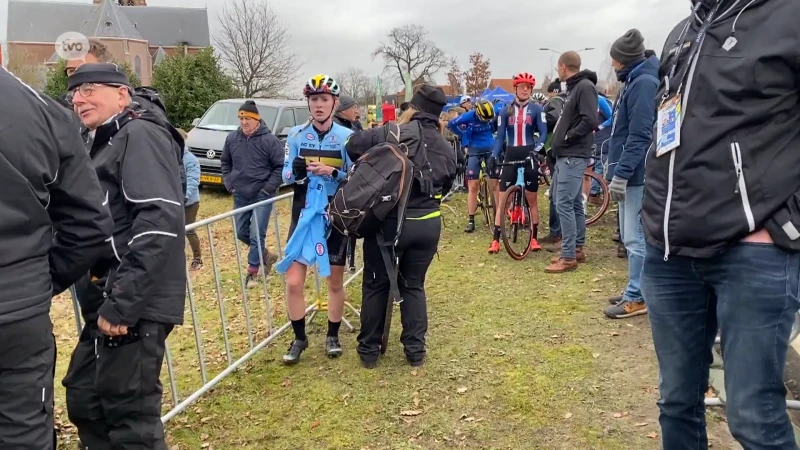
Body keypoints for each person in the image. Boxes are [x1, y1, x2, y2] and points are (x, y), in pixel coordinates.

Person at [643, 1, 800, 448]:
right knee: (675, 402)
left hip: (753, 252)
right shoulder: (684, 30)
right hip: (668, 252)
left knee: (754, 416)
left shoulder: (790, 17)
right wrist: (651, 212)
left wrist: (783, 222)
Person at [63, 63, 185, 449]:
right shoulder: (101, 138)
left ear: (121, 93)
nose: (79, 98)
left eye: (89, 88)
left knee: (127, 414)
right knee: (86, 400)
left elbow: (159, 219)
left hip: (133, 300)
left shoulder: (139, 134)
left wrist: (124, 303)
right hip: (107, 297)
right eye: (75, 93)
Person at [0, 67, 113, 450]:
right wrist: (37, 282)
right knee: (23, 431)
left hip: (19, 300)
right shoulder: (42, 111)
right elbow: (89, 223)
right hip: (18, 310)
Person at [346, 85, 457, 368]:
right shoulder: (447, 145)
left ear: (413, 109)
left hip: (391, 223)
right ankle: (415, 351)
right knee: (414, 285)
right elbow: (447, 183)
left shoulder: (394, 132)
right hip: (429, 224)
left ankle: (369, 351)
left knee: (375, 284)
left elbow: (353, 145)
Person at [279, 74, 353, 364]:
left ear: (334, 103)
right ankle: (299, 338)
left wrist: (332, 172)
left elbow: (355, 178)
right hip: (304, 214)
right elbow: (284, 175)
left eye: (324, 99)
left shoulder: (346, 138)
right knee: (294, 281)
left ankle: (332, 335)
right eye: (314, 100)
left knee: (335, 281)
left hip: (334, 215)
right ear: (308, 103)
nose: (319, 105)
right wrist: (296, 170)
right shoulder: (296, 135)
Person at [601, 30, 658, 320]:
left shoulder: (644, 83)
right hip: (628, 172)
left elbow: (640, 135)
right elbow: (620, 129)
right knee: (629, 236)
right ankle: (634, 289)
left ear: (625, 60)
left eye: (615, 60)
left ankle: (638, 297)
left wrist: (622, 174)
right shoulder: (634, 80)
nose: (612, 65)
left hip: (637, 174)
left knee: (636, 239)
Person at [545, 51, 598, 273]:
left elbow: (589, 120)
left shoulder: (584, 87)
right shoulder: (576, 88)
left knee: (563, 202)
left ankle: (568, 256)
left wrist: (567, 137)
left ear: (563, 67)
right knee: (573, 202)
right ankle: (576, 247)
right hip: (567, 155)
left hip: (572, 155)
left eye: (558, 67)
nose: (558, 71)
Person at [220, 100, 283, 288]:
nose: (244, 122)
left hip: (262, 194)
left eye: (248, 118)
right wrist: (230, 184)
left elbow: (280, 166)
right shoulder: (232, 139)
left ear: (257, 120)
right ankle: (266, 255)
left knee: (257, 234)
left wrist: (268, 188)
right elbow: (225, 162)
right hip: (240, 194)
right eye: (241, 118)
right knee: (241, 232)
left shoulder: (269, 140)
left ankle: (252, 273)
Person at [487, 72, 548, 254]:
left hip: (529, 153)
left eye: (528, 87)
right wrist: (493, 156)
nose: (525, 90)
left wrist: (536, 151)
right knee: (503, 199)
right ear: (515, 88)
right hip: (511, 155)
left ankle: (534, 238)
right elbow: (499, 138)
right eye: (522, 87)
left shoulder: (537, 110)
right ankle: (496, 240)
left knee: (532, 199)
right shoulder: (505, 110)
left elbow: (543, 134)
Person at [447, 99, 499, 232]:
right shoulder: (469, 115)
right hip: (474, 151)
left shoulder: (494, 112)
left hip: (490, 149)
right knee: (473, 186)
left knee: (495, 184)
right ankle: (471, 219)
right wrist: (463, 134)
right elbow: (451, 124)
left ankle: (499, 216)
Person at [540, 79, 566, 248]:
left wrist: (540, 120)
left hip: (554, 149)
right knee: (560, 194)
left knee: (556, 194)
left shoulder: (555, 101)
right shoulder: (568, 100)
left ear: (552, 92)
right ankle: (559, 232)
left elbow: (553, 117)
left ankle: (556, 233)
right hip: (564, 149)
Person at [179, 129, 203, 270]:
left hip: (190, 203)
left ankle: (197, 259)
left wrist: (184, 196)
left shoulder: (190, 159)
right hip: (175, 201)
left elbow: (193, 180)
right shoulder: (170, 157)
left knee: (189, 229)